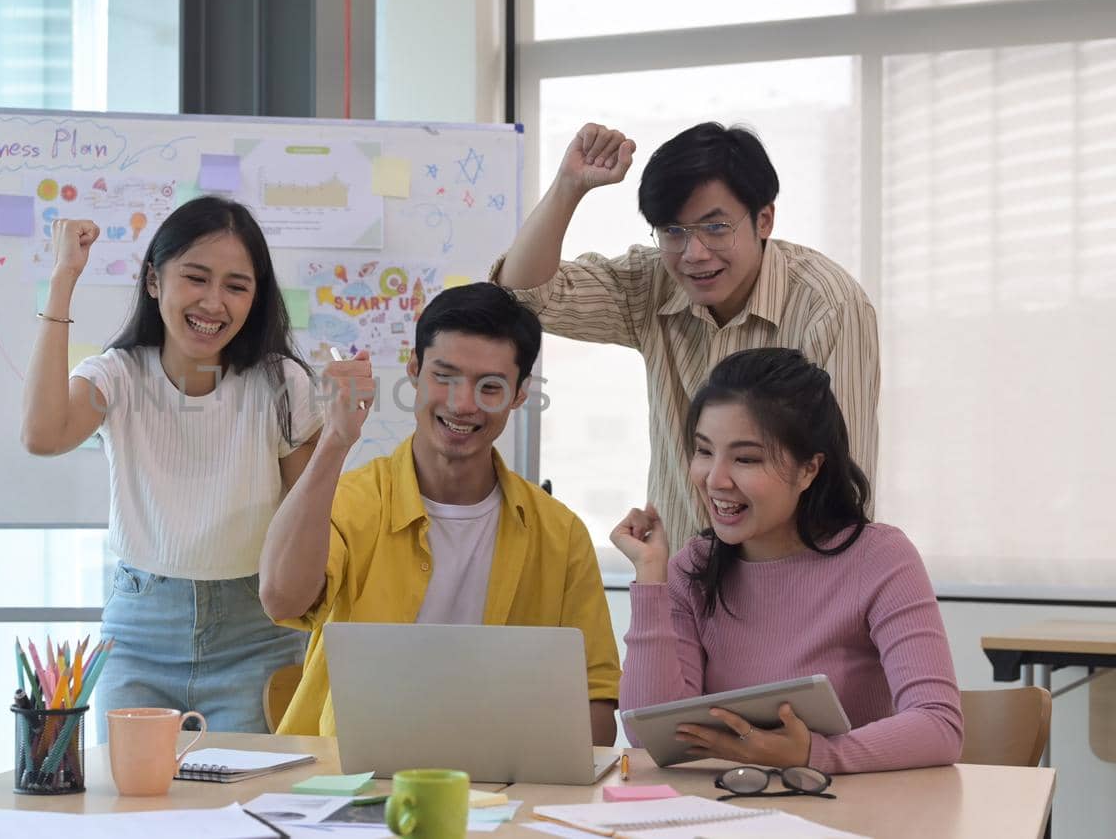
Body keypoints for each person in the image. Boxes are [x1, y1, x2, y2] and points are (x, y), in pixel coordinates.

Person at [493, 122, 879, 551]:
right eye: (673, 231)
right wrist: (569, 186)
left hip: (787, 581)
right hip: (678, 579)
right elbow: (523, 297)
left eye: (715, 228)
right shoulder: (652, 281)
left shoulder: (827, 305)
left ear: (764, 219)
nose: (693, 254)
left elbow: (841, 484)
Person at [259, 282, 621, 739]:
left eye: (490, 386)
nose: (462, 403)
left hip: (503, 783)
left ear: (520, 394)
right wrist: (335, 438)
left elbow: (597, 707)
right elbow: (281, 598)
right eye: (444, 377)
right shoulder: (354, 501)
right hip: (351, 775)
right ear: (414, 370)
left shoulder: (559, 533)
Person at [21, 196, 322, 733]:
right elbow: (42, 436)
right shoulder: (117, 376)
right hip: (140, 634)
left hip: (259, 634)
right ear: (154, 282)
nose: (213, 303)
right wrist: (64, 276)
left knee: (246, 808)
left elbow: (313, 533)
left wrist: (340, 437)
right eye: (196, 278)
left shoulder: (284, 385)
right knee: (132, 804)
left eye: (236, 286)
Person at [609, 347, 961, 774]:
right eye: (704, 451)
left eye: (746, 458)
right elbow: (649, 734)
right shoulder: (693, 568)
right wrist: (651, 579)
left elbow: (939, 726)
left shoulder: (880, 558)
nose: (715, 479)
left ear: (809, 470)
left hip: (853, 814)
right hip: (729, 811)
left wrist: (815, 756)